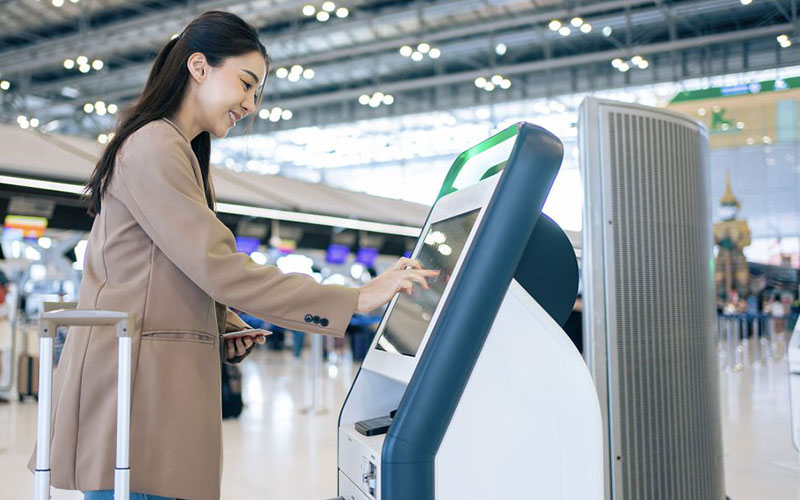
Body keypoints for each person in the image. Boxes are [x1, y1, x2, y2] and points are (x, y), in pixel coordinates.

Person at [29, 11, 437, 500]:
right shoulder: (156, 145)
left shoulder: (175, 150)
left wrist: (217, 322)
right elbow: (218, 265)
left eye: (257, 94)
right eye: (246, 83)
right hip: (139, 398)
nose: (250, 103)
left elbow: (161, 274)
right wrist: (354, 298)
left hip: (150, 389)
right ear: (198, 66)